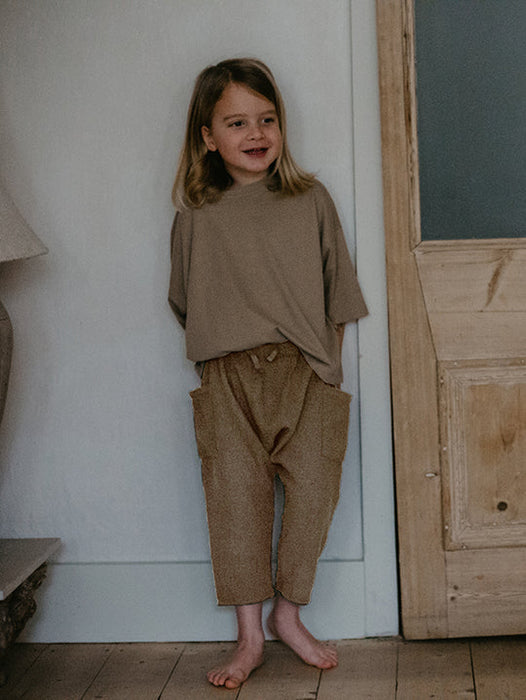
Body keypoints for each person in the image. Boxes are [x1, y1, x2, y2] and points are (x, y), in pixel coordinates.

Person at [168, 57, 368, 689]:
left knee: (313, 495)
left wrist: (327, 366)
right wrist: (223, 343)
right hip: (227, 378)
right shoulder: (195, 214)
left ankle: (288, 614)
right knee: (235, 501)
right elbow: (183, 299)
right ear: (208, 136)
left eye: (267, 119)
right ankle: (249, 635)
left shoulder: (310, 199)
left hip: (306, 373)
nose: (256, 134)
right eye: (236, 123)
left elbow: (339, 289)